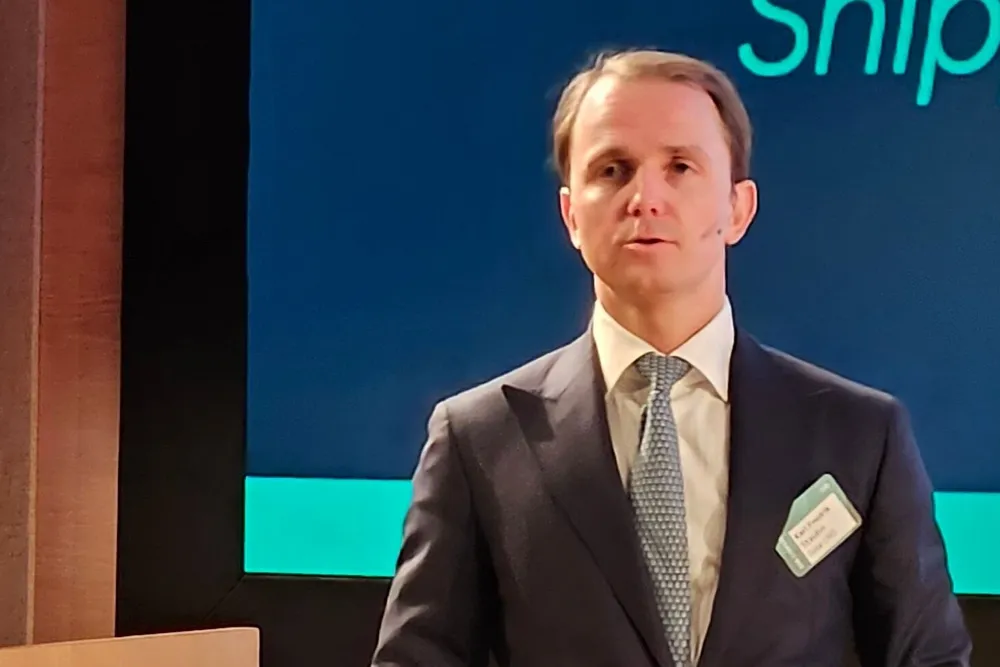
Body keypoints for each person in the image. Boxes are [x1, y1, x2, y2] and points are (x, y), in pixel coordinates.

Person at [369, 49, 972, 667]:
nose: (645, 197)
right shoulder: (478, 439)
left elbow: (927, 657)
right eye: (613, 170)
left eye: (680, 166)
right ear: (571, 215)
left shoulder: (859, 436)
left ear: (738, 209)